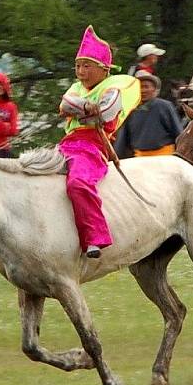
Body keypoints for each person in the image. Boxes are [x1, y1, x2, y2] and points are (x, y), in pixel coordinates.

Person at [58, 25, 132, 258]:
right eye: (78, 65)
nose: (80, 71)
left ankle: (95, 238)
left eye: (87, 66)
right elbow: (64, 106)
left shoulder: (115, 88)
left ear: (103, 69)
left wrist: (84, 109)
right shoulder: (76, 87)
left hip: (92, 147)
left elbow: (106, 113)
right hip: (66, 144)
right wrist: (87, 108)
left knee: (77, 183)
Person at [115, 71, 182, 157]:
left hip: (165, 155)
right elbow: (122, 139)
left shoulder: (164, 106)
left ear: (154, 89)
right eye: (140, 87)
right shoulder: (131, 109)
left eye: (146, 87)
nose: (143, 90)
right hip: (140, 157)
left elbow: (178, 132)